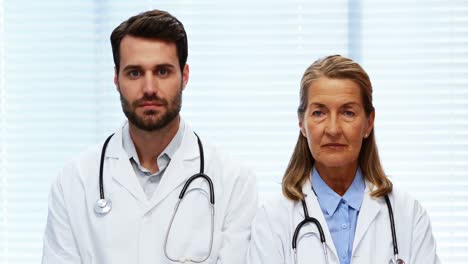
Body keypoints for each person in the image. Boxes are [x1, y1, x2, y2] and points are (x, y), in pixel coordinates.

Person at [42, 9, 257, 263]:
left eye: (163, 71)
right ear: (116, 78)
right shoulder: (74, 182)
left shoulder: (233, 182)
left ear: (184, 76)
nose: (149, 88)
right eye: (134, 73)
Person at [247, 55, 441, 264]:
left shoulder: (408, 216)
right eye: (319, 112)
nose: (333, 129)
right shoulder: (273, 220)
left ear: (368, 123)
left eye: (348, 113)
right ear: (302, 123)